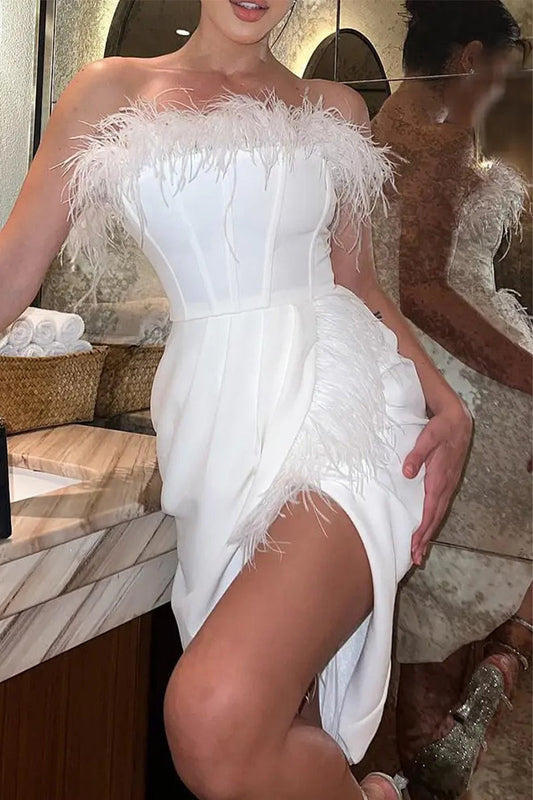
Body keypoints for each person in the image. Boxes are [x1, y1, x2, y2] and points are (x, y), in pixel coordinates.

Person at [0, 1, 472, 798]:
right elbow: (12, 275)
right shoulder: (109, 91)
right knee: (278, 729)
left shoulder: (334, 107)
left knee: (212, 715)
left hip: (345, 407)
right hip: (212, 423)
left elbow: (357, 284)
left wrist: (447, 405)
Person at [371, 2, 532, 797]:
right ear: (469, 58)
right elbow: (425, 291)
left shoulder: (373, 130)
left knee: (430, 594)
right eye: (499, 74)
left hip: (402, 375)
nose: (495, 92)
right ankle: (450, 731)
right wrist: (525, 374)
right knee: (448, 601)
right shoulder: (438, 141)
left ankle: (449, 722)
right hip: (460, 387)